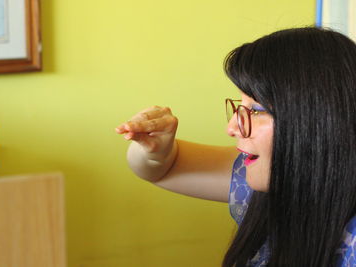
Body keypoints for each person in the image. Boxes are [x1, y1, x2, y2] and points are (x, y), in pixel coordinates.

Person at [115, 27, 356, 266]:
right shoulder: (274, 179)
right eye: (241, 106)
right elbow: (163, 170)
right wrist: (155, 151)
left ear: (321, 119)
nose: (232, 127)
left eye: (256, 110)